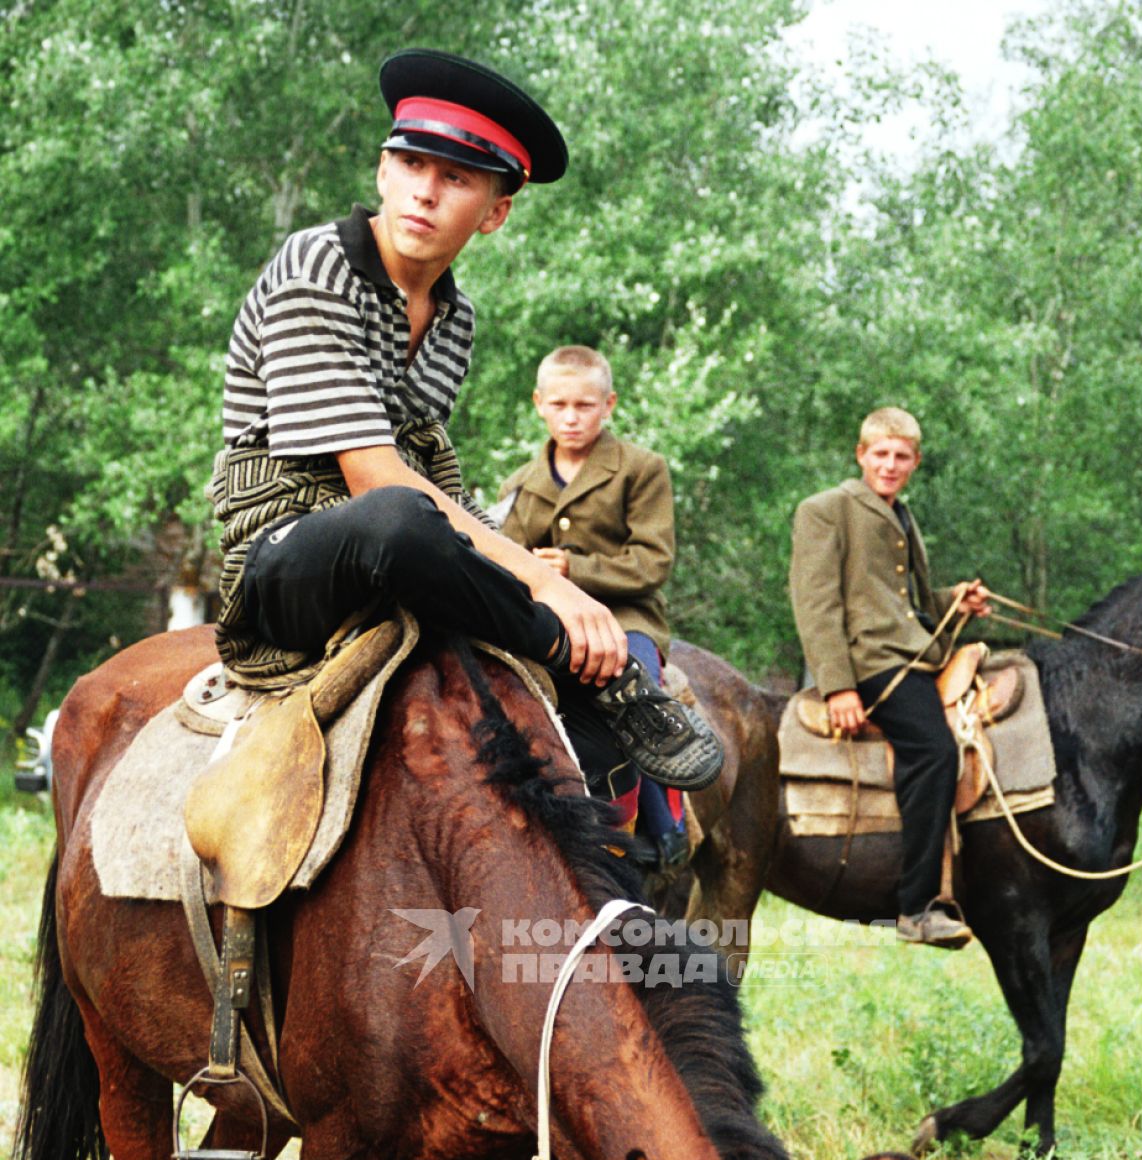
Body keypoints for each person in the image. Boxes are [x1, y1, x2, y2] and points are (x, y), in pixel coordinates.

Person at [206, 48, 723, 807]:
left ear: (494, 212)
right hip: (283, 563)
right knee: (399, 521)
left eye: (456, 179)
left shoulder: (455, 318)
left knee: (443, 536)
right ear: (383, 171)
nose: (424, 192)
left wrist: (544, 580)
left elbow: (433, 474)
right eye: (412, 164)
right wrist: (549, 590)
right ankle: (598, 683)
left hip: (397, 543)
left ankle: (608, 836)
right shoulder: (317, 265)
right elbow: (376, 478)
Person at [789, 406, 990, 948]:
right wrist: (838, 686)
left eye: (901, 456)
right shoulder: (826, 510)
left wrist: (956, 601)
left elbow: (908, 603)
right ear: (861, 455)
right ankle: (916, 907)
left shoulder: (902, 515)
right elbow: (817, 604)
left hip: (911, 654)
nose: (890, 464)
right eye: (880, 454)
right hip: (873, 664)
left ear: (916, 462)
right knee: (935, 751)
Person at [496, 345, 690, 864]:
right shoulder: (519, 485)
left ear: (609, 405)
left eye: (584, 406)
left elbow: (653, 561)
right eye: (559, 405)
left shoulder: (641, 470)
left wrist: (573, 569)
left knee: (631, 692)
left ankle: (662, 823)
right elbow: (504, 561)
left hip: (626, 618)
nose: (571, 417)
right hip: (547, 623)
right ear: (539, 403)